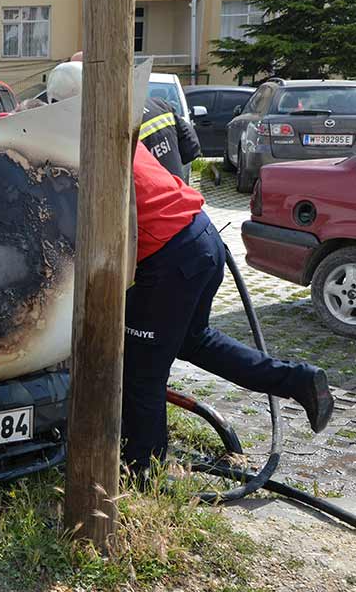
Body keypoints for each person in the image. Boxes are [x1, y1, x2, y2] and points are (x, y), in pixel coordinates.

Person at [47, 63, 334, 475]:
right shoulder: (111, 131)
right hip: (201, 239)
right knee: (192, 340)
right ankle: (299, 381)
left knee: (140, 373)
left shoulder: (82, 145)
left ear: (61, 107)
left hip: (170, 257)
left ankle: (143, 472)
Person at [139, 94, 201, 180]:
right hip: (176, 187)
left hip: (149, 191)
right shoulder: (160, 105)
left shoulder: (119, 126)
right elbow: (192, 147)